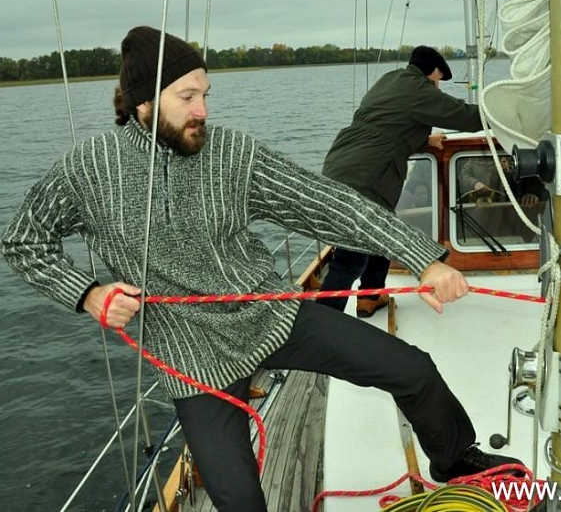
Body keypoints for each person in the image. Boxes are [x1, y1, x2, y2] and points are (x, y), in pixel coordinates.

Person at [1, 27, 523, 512]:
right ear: (143, 101)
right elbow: (23, 239)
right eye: (187, 97)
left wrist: (422, 256)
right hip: (190, 355)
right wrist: (87, 292)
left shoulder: (230, 153)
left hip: (270, 314)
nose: (203, 109)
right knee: (239, 501)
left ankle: (455, 459)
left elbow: (326, 203)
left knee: (414, 371)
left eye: (206, 94)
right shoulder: (89, 170)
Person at [318, 46, 484, 317]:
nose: (438, 87)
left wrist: (423, 140)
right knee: (351, 257)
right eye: (439, 81)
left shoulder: (389, 81)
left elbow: (386, 125)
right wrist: (506, 114)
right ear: (434, 72)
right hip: (367, 177)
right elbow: (464, 115)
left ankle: (371, 296)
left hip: (340, 163)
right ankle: (322, 320)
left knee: (382, 228)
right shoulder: (420, 90)